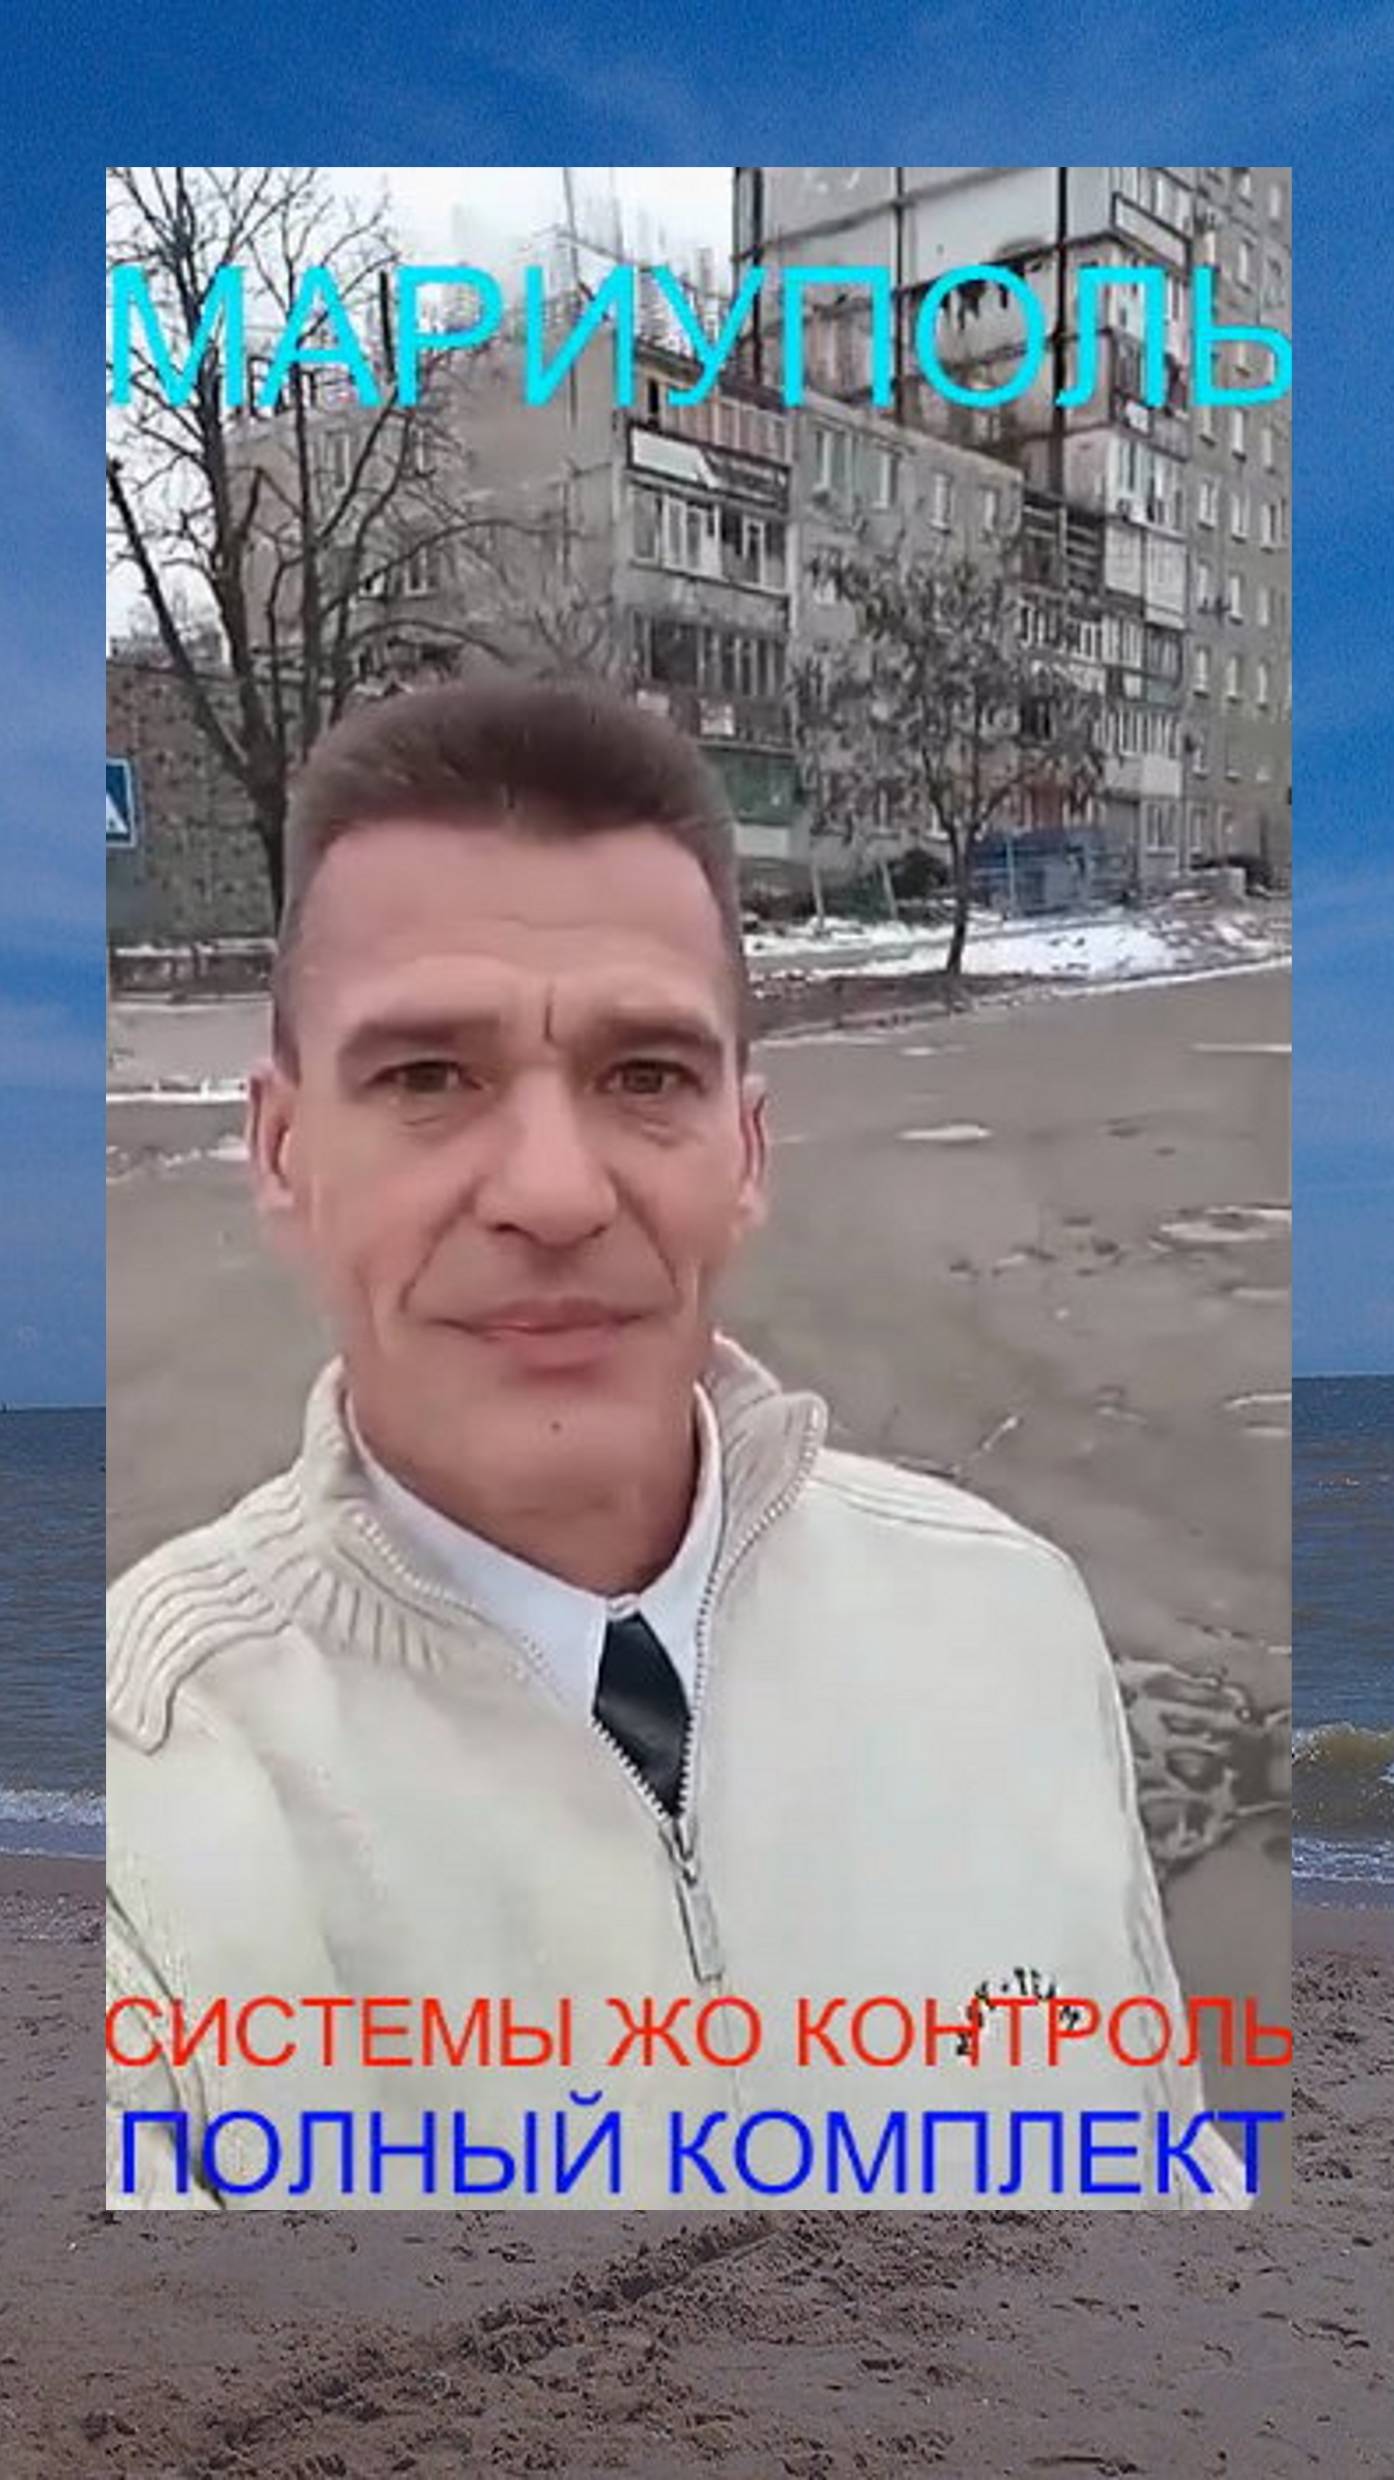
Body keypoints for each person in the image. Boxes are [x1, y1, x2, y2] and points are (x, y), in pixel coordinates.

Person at [107, 675, 1250, 2211]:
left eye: (643, 1076)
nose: (553, 1193)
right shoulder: (136, 1810)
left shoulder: (1008, 1619)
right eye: (427, 1077)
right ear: (281, 1152)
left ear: (746, 1152)